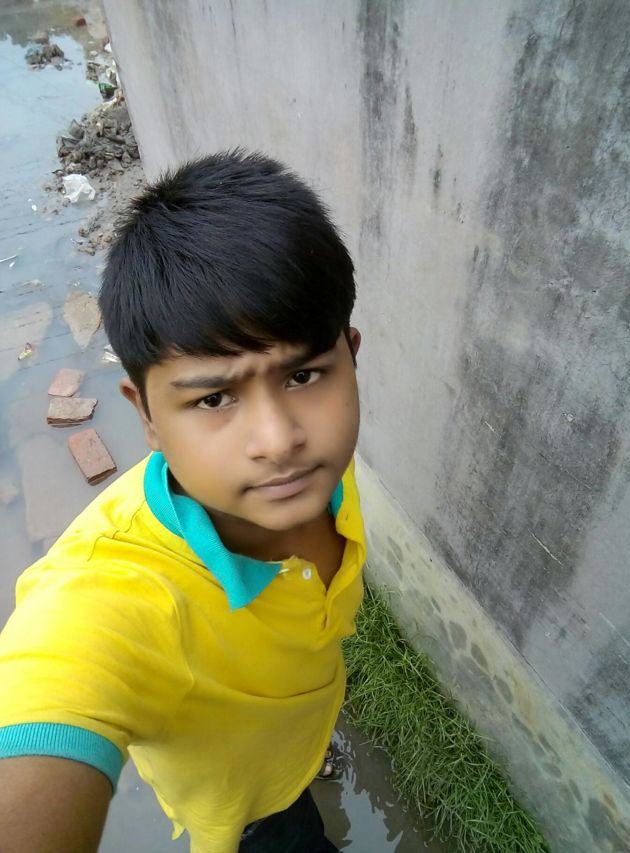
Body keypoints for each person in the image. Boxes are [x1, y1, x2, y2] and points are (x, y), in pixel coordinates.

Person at [0, 151, 366, 853]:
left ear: (351, 355)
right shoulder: (118, 593)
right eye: (214, 398)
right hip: (247, 816)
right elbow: (54, 689)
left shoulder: (322, 477)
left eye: (304, 376)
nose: (279, 441)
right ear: (145, 414)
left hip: (295, 728)